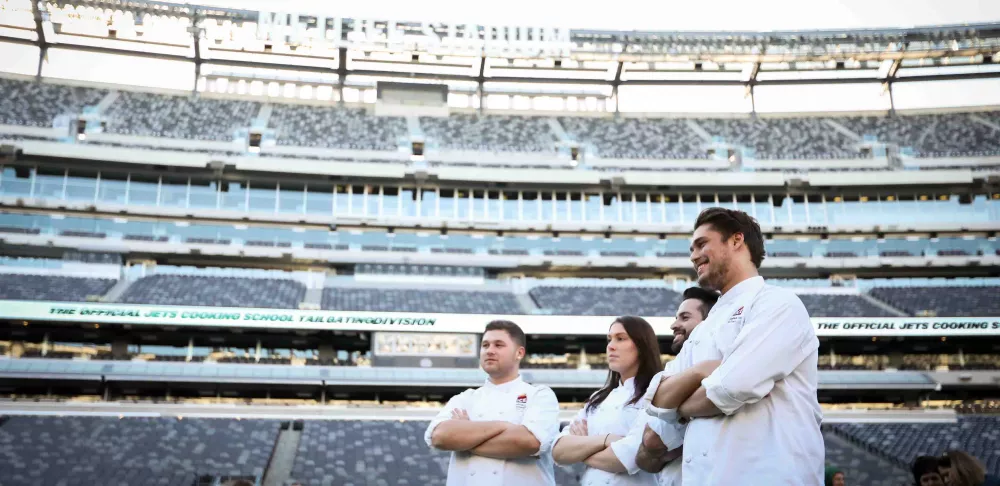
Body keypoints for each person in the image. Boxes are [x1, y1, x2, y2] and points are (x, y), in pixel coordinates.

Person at [642, 207, 825, 485]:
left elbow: (731, 388)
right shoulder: (703, 329)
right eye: (692, 248)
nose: (693, 256)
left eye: (702, 244)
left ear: (737, 241)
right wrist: (700, 372)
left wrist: (676, 408)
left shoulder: (778, 304)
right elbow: (656, 400)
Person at [595, 286, 720, 486]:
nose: (674, 325)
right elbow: (644, 456)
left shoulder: (722, 366)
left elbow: (650, 443)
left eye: (684, 318)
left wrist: (669, 412)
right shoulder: (670, 371)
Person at [425, 320, 560, 486]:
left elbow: (529, 442)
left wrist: (466, 437)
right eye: (485, 345)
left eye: (498, 345)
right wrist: (504, 426)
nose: (490, 351)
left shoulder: (540, 395)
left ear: (519, 353)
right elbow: (439, 437)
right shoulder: (465, 398)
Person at [551, 316, 662, 485]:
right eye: (609, 339)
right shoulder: (598, 398)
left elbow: (626, 459)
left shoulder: (656, 394)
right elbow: (558, 451)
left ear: (642, 345)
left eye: (620, 339)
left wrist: (581, 449)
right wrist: (606, 440)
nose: (610, 346)